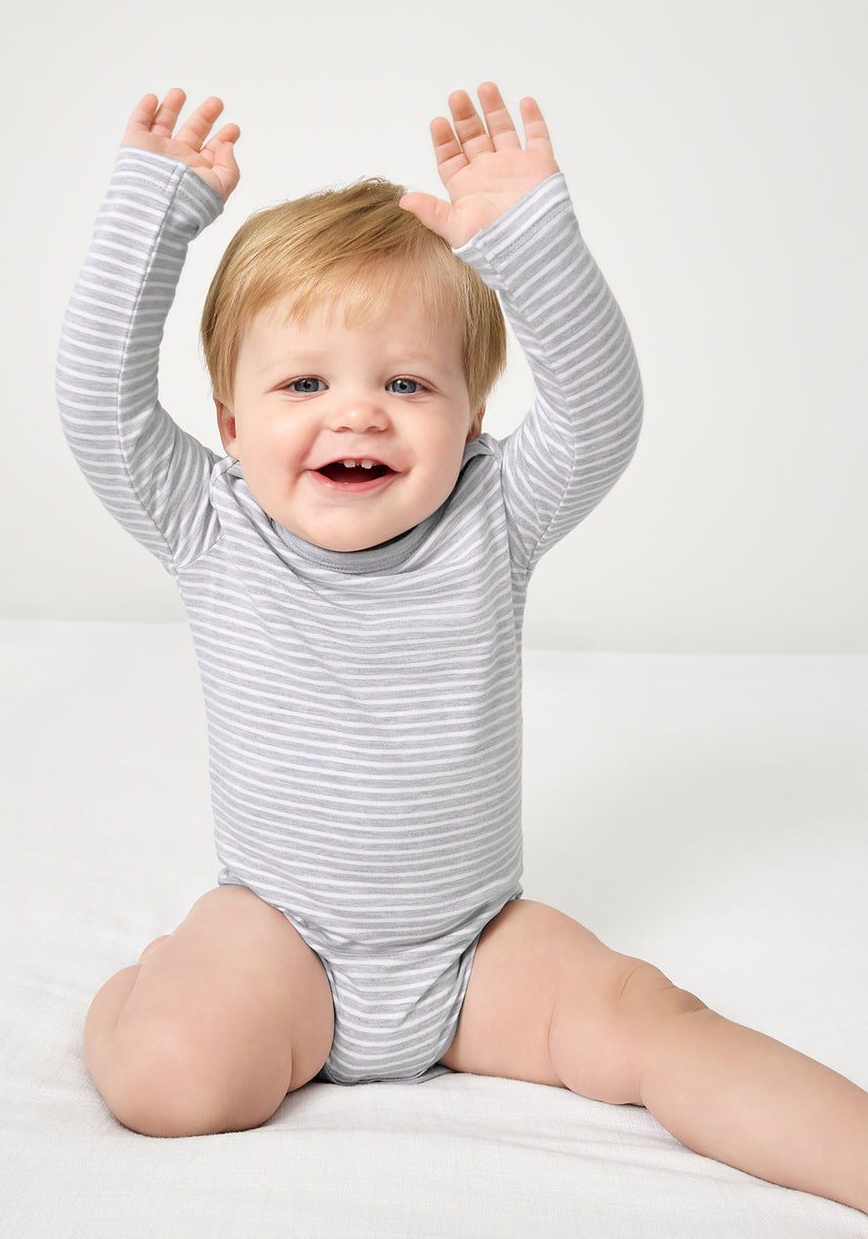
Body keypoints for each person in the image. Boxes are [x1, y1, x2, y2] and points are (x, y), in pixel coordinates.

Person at [56, 83, 868, 1212]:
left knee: (653, 1021)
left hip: (474, 945)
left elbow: (600, 414)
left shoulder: (493, 515)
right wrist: (155, 209)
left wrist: (527, 242)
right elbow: (99, 404)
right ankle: (135, 994)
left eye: (406, 381)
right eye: (303, 382)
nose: (357, 413)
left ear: (471, 417)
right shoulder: (210, 521)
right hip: (283, 934)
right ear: (232, 426)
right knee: (169, 1080)